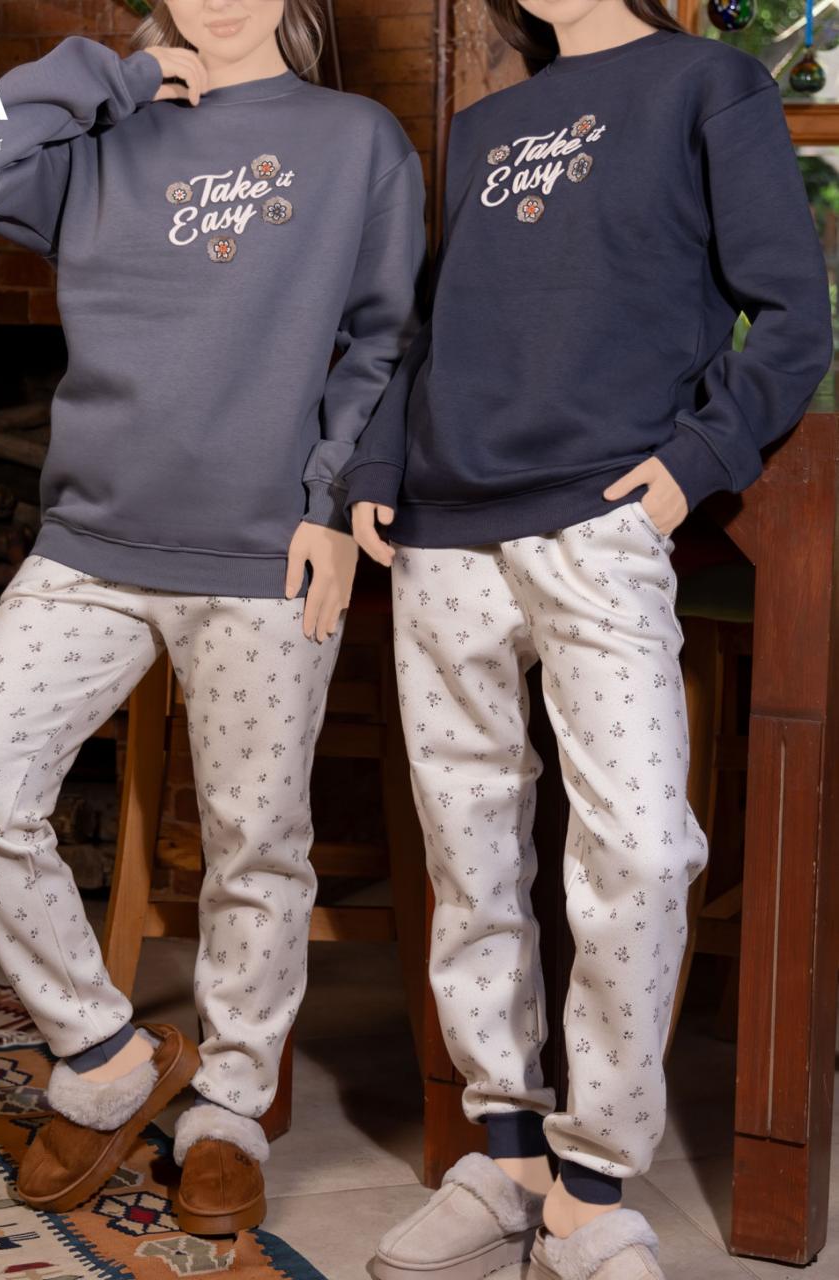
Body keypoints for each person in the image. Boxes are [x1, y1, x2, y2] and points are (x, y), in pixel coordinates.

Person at [338, 1, 833, 1277]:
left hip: (599, 519)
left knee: (642, 846)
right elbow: (434, 329)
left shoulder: (708, 84)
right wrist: (379, 463)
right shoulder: (489, 123)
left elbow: (792, 314)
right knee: (469, 851)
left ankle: (591, 1184)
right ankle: (504, 1153)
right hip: (443, 531)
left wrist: (696, 461)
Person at [0, 0, 425, 1235]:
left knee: (256, 840)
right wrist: (117, 74)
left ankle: (230, 1111)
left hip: (266, 548)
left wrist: (334, 501)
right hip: (90, 543)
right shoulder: (104, 127)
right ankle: (105, 1055)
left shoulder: (355, 137)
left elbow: (386, 338)